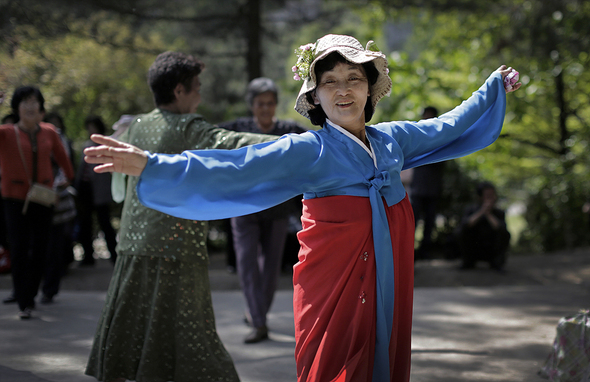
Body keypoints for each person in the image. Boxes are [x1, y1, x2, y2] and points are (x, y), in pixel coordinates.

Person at [84, 35, 521, 382]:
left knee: (384, 350)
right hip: (332, 284)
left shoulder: (394, 139)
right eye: (330, 80)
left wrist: (492, 86)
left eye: (354, 78)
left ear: (369, 89)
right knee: (332, 364)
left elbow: (448, 125)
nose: (343, 90)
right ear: (315, 96)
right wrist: (152, 164)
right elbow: (237, 163)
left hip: (387, 276)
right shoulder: (309, 149)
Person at [84, 51, 276, 382]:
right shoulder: (189, 126)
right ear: (178, 91)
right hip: (178, 249)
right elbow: (234, 144)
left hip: (132, 246)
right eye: (196, 87)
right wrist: (301, 145)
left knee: (135, 331)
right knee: (192, 337)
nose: (200, 95)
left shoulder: (138, 125)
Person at [218, 77, 308, 343]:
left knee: (270, 268)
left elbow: (318, 138)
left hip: (277, 209)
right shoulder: (239, 128)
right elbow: (207, 136)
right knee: (247, 265)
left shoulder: (288, 129)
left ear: (276, 105)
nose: (265, 108)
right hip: (243, 207)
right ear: (252, 105)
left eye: (270, 103)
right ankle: (258, 322)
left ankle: (258, 315)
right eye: (260, 104)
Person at [0, 86, 75, 319]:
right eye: (25, 102)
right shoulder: (6, 133)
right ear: (17, 108)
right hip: (13, 199)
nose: (30, 106)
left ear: (41, 107)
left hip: (42, 198)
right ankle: (24, 301)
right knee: (19, 248)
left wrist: (65, 180)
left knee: (41, 249)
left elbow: (65, 163)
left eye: (34, 101)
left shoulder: (50, 132)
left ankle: (31, 293)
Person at [41, 112, 77, 303]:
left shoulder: (57, 137)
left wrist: (59, 184)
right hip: (34, 198)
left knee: (55, 244)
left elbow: (66, 165)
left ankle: (49, 288)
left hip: (56, 198)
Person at [74, 115, 118, 266]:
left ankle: (114, 254)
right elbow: (81, 170)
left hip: (101, 191)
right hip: (85, 190)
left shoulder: (107, 145)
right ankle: (88, 256)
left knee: (105, 223)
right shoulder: (86, 145)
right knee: (85, 224)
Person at [410, 106, 446, 259]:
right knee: (413, 221)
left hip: (432, 189)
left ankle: (424, 251)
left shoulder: (441, 138)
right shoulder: (416, 136)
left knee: (429, 223)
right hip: (418, 189)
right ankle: (410, 251)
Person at [457, 181, 511, 271]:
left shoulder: (499, 213)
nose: (491, 198)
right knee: (460, 231)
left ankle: (497, 263)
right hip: (474, 248)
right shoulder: (471, 210)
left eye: (492, 195)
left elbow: (500, 229)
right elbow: (466, 225)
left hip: (491, 249)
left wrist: (488, 214)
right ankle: (468, 262)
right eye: (488, 195)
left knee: (505, 233)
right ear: (480, 197)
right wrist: (482, 212)